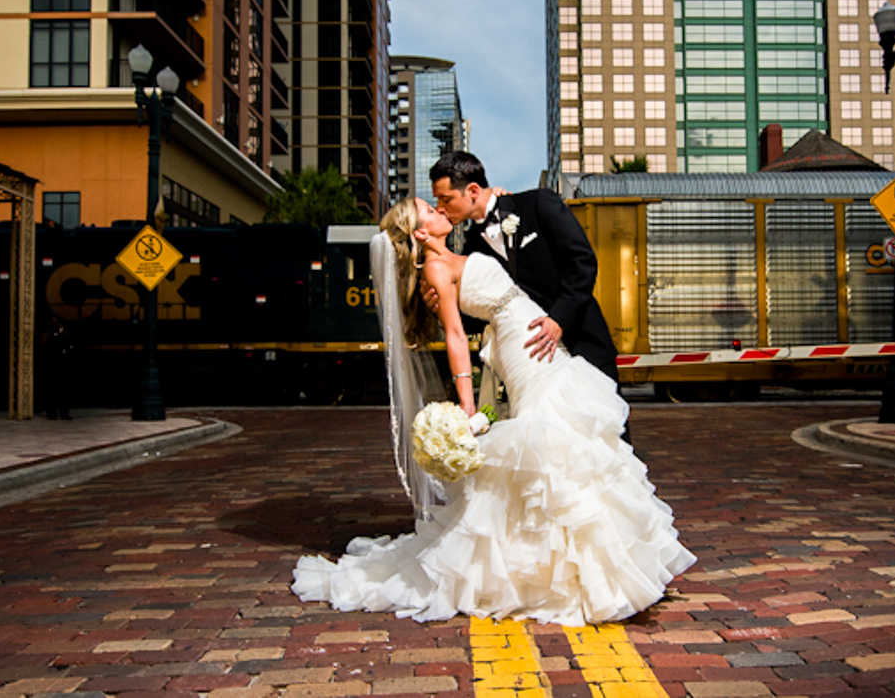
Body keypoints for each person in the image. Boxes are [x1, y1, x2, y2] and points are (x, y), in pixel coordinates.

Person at [290, 199, 694, 626]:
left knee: (572, 441)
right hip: (520, 349)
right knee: (556, 440)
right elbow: (455, 336)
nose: (437, 208)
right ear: (420, 233)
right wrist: (467, 406)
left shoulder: (459, 254)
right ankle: (582, 577)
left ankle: (597, 569)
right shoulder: (435, 271)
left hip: (534, 335)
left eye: (437, 201)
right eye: (428, 209)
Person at [429, 152, 620, 382]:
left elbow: (582, 262)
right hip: (531, 366)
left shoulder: (538, 203)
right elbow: (478, 317)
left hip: (583, 343)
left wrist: (559, 319)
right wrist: (441, 305)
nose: (440, 208)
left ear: (472, 191)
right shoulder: (471, 250)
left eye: (445, 199)